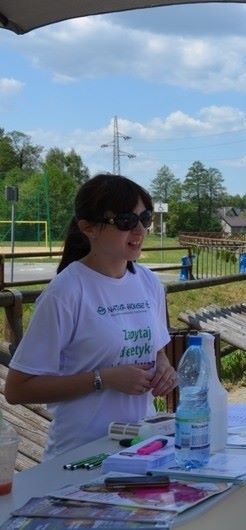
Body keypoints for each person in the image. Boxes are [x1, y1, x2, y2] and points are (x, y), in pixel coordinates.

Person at [5, 173, 176, 459]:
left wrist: (164, 370)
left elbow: (156, 352)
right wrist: (102, 379)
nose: (140, 230)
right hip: (80, 457)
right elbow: (17, 389)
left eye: (144, 218)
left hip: (141, 448)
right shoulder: (66, 291)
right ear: (89, 228)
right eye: (125, 221)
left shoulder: (148, 282)